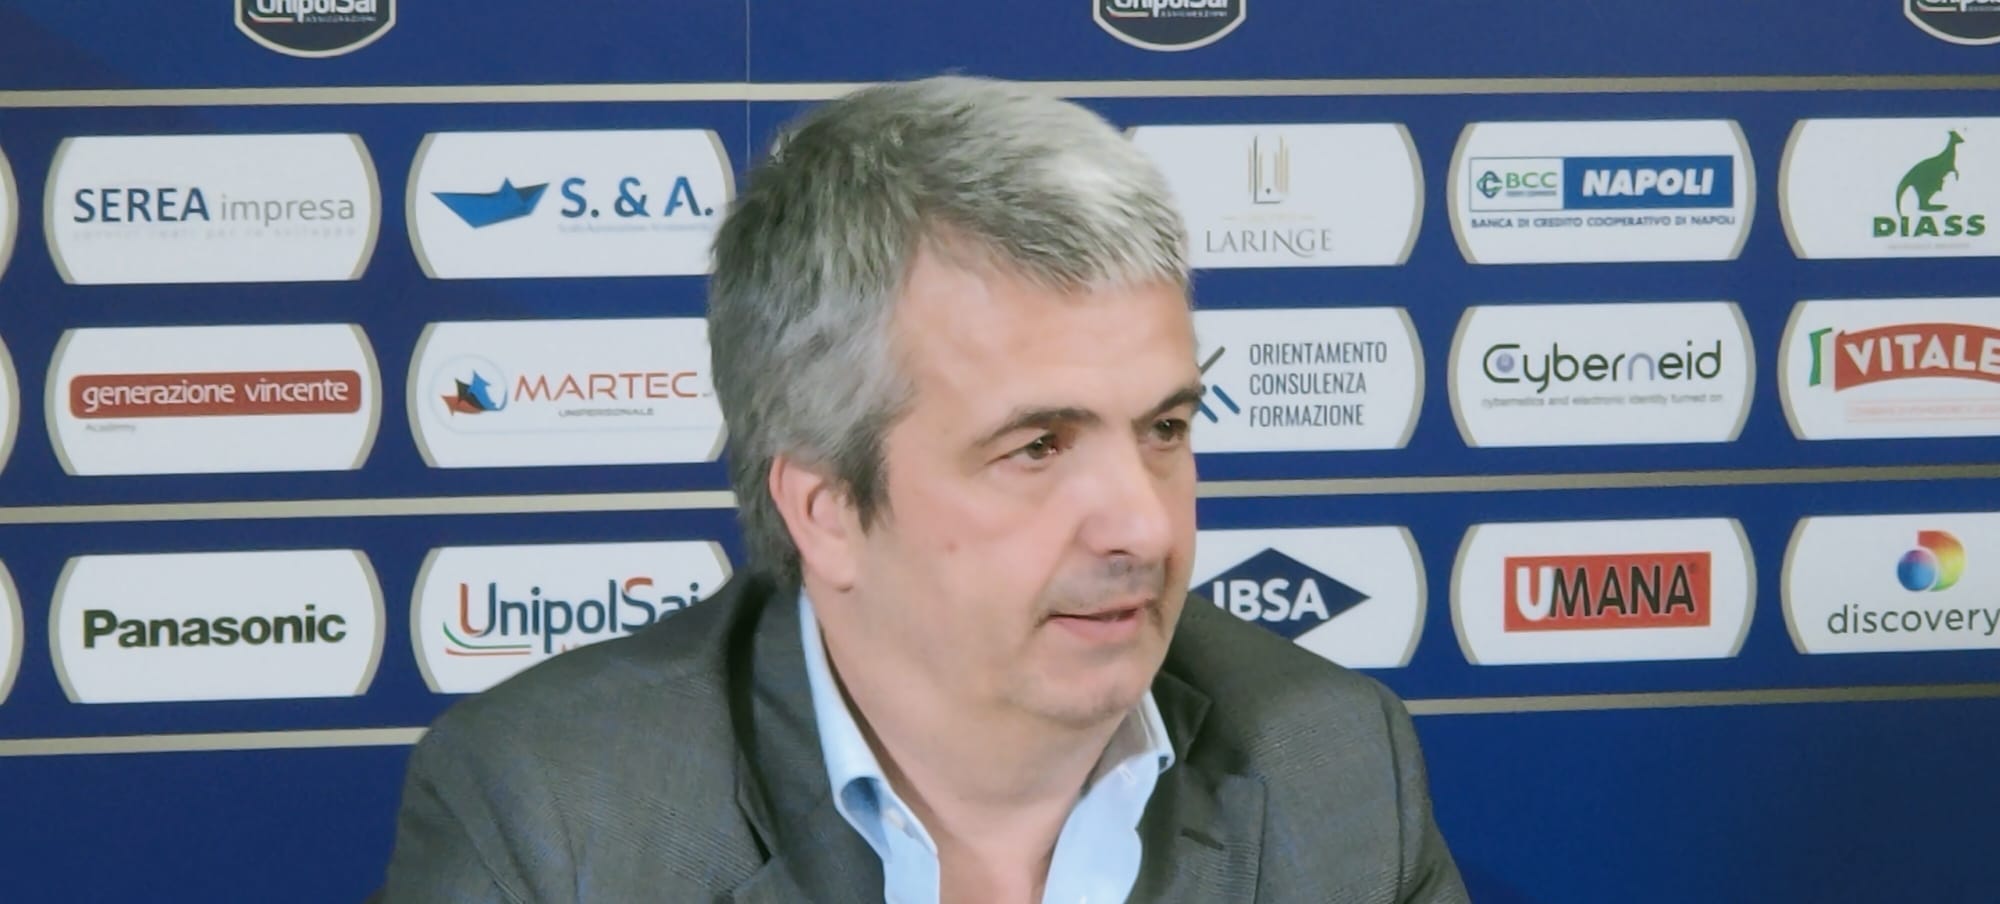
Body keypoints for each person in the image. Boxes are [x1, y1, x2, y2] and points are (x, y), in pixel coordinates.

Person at [380, 75, 1467, 903]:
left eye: (1165, 430)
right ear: (827, 510)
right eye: (1036, 448)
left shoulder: (1333, 766)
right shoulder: (554, 820)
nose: (1142, 525)